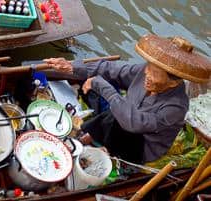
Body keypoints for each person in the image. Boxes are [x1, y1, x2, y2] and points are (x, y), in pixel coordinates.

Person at [44, 34, 211, 164]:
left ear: (173, 83)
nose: (147, 74)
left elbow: (134, 123)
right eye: (148, 69)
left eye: (155, 74)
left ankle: (94, 141)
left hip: (139, 144)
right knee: (95, 84)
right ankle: (90, 135)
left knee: (118, 115)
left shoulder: (176, 107)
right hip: (120, 119)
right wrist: (72, 66)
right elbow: (111, 69)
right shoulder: (145, 71)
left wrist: (103, 87)